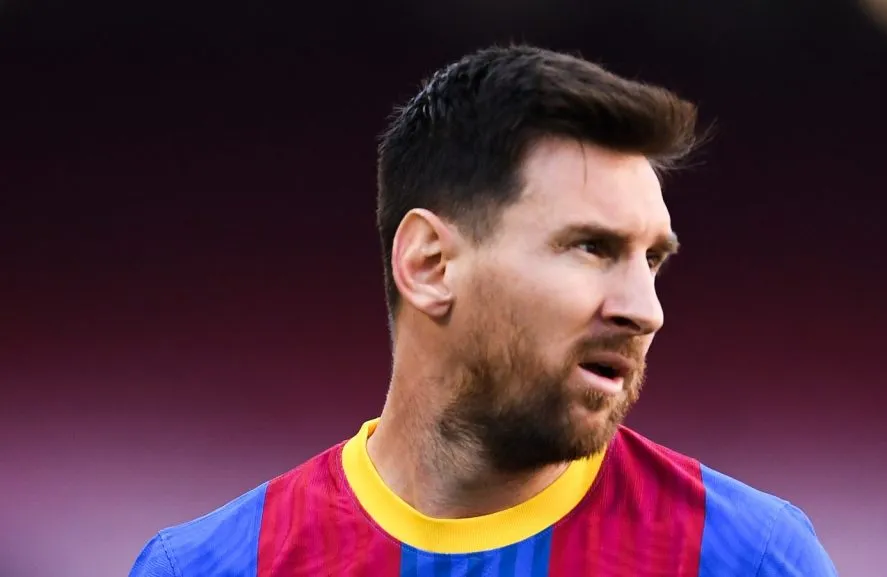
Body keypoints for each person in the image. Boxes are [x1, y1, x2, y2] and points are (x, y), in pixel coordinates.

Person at [129, 45, 838, 577]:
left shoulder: (748, 557)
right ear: (430, 265)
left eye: (653, 260)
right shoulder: (209, 566)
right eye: (592, 246)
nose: (644, 310)